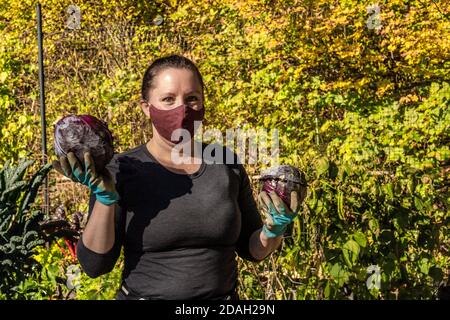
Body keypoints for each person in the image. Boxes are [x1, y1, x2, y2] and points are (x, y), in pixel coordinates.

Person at [52, 54, 303, 300]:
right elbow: (95, 265)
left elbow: (252, 250)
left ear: (203, 103)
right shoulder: (121, 169)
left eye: (191, 98)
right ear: (146, 108)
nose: (182, 109)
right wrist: (105, 199)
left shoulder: (225, 163)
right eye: (168, 99)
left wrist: (273, 230)